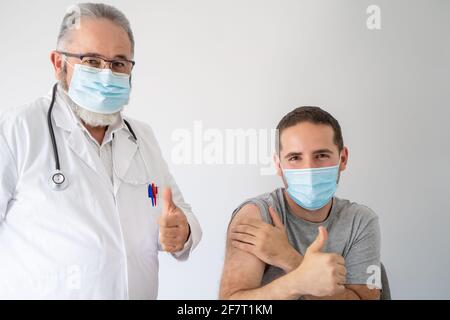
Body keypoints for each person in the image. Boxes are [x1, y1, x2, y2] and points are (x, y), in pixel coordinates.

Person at [0, 3, 201, 299]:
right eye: (92, 61)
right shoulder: (18, 130)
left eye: (119, 63)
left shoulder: (141, 137)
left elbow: (174, 208)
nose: (107, 75)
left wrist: (181, 231)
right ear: (59, 64)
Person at [220, 106, 381, 300]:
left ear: (343, 158)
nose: (309, 169)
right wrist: (298, 281)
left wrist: (289, 258)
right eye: (295, 158)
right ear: (279, 165)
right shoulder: (256, 216)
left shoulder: (361, 221)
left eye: (321, 155)